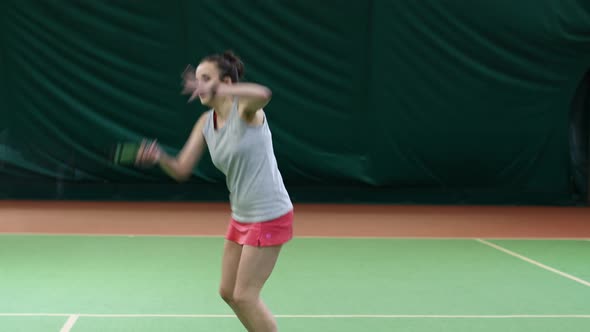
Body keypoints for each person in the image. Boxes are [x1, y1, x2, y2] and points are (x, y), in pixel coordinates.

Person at [135, 50, 293, 332]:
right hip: (241, 215)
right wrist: (160, 157)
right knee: (228, 291)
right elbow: (182, 168)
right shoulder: (206, 123)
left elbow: (264, 92)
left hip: (269, 214)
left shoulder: (245, 111)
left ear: (226, 83)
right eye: (197, 80)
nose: (199, 86)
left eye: (205, 79)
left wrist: (217, 88)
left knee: (245, 295)